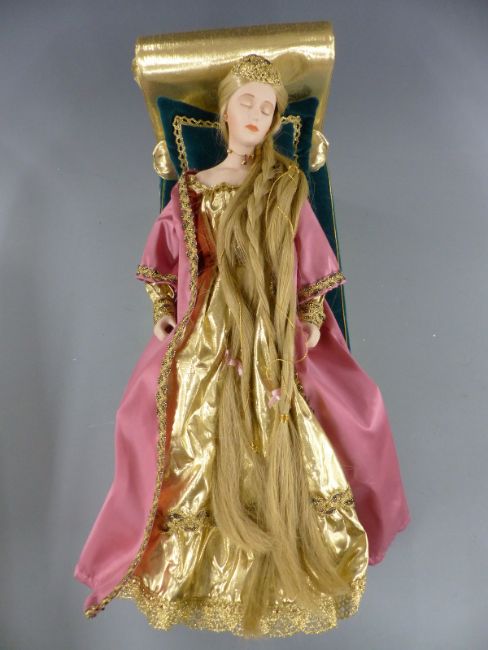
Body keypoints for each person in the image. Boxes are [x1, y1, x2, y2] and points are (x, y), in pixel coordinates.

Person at [74, 54, 410, 639]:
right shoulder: (192, 190)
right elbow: (164, 262)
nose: (256, 114)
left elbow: (310, 260)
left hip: (268, 329)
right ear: (224, 113)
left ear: (276, 120)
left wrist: (308, 318)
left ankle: (291, 562)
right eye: (246, 102)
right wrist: (163, 312)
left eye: (267, 107)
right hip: (206, 330)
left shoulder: (285, 186)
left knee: (306, 426)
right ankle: (196, 574)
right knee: (184, 433)